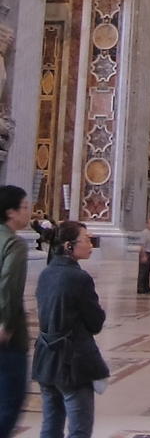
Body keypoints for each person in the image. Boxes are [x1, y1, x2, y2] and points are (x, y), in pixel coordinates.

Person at [31, 221, 109, 438]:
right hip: (72, 361)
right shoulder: (79, 278)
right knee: (79, 429)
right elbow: (95, 322)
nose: (90, 245)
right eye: (86, 240)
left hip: (46, 357)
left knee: (50, 425)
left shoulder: (46, 273)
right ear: (69, 246)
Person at [0, 185, 30, 438]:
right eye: (25, 206)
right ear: (11, 212)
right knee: (11, 399)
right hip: (7, 337)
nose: (28, 212)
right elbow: (9, 288)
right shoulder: (14, 244)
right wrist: (6, 326)